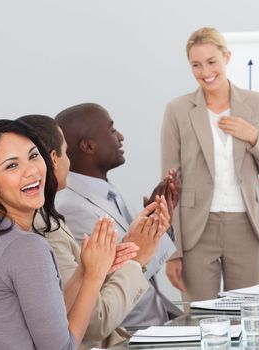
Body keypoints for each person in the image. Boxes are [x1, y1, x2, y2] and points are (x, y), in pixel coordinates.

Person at [0, 119, 118, 349]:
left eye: (33, 156)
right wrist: (94, 277)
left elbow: (49, 320)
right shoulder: (26, 248)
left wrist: (84, 269)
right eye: (12, 165)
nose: (31, 171)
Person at [18, 114, 168, 347]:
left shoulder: (48, 219)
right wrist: (135, 259)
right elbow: (95, 320)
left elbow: (85, 283)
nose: (120, 136)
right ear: (54, 159)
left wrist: (128, 247)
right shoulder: (48, 225)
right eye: (65, 152)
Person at [161, 27, 259, 301]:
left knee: (247, 321)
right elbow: (170, 189)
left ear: (227, 57)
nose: (205, 71)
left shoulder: (258, 104)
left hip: (246, 228)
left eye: (212, 61)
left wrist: (254, 137)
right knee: (199, 322)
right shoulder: (177, 111)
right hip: (196, 232)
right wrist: (173, 251)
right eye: (196, 64)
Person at [55, 103, 183, 327]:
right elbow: (114, 278)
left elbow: (140, 260)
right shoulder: (72, 209)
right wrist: (149, 235)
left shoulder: (110, 190)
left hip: (159, 319)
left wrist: (160, 224)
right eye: (112, 130)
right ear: (88, 146)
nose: (121, 137)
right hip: (128, 331)